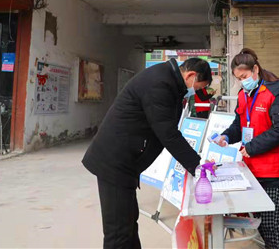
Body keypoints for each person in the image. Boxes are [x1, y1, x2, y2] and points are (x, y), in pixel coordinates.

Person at [82, 57, 212, 249]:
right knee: (118, 231)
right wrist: (197, 166)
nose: (197, 91)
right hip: (115, 162)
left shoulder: (168, 80)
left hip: (126, 161)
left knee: (128, 223)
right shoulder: (160, 84)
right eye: (199, 87)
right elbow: (168, 134)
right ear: (191, 75)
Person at [214, 48, 279, 249]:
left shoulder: (277, 93)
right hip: (251, 168)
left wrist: (252, 147)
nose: (242, 81)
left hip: (274, 170)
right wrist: (226, 136)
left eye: (244, 76)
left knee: (272, 223)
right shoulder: (244, 95)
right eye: (238, 78)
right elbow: (239, 124)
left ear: (255, 69)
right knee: (260, 220)